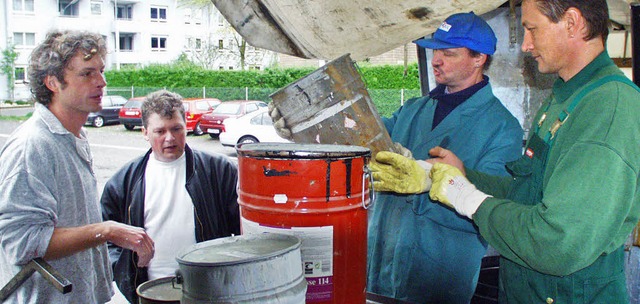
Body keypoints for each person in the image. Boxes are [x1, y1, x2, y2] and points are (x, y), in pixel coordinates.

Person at [428, 0, 640, 302]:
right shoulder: (566, 96)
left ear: (571, 23)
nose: (526, 45)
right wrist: (461, 177)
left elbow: (558, 243)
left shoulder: (608, 108)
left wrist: (471, 201)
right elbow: (527, 191)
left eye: (532, 30)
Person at [364, 12, 523, 303]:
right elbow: (365, 139)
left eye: (448, 53)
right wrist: (316, 125)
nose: (436, 60)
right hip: (379, 264)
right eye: (436, 50)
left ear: (479, 58)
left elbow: (493, 201)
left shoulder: (503, 128)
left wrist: (433, 179)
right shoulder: (412, 109)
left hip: (438, 274)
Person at [0, 30, 154, 303]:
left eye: (101, 71)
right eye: (86, 74)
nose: (102, 82)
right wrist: (107, 231)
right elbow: (22, 243)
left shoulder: (73, 136)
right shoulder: (32, 146)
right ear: (52, 82)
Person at [101, 90, 240, 303]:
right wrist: (124, 268)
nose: (170, 138)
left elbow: (242, 231)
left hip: (209, 290)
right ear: (145, 132)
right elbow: (106, 239)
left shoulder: (219, 171)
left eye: (176, 129)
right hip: (150, 292)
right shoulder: (122, 182)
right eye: (160, 131)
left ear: (186, 127)